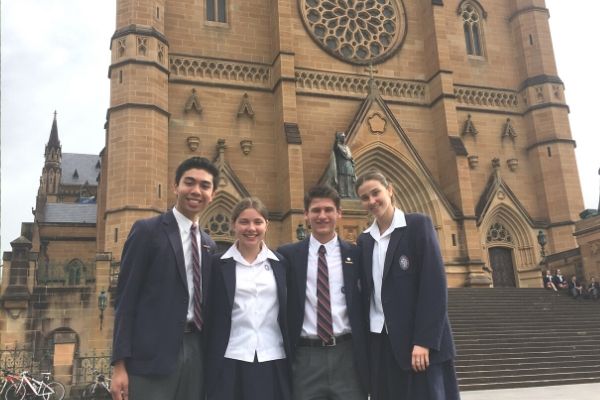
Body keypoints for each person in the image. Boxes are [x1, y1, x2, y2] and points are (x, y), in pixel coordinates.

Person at [110, 157, 219, 400]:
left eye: (204, 185)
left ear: (213, 193)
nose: (196, 191)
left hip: (196, 349)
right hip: (151, 354)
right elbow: (126, 299)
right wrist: (119, 365)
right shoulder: (147, 230)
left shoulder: (209, 244)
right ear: (175, 186)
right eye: (189, 182)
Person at [355, 170, 460, 400]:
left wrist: (424, 341)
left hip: (418, 345)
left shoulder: (418, 225)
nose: (372, 201)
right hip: (381, 343)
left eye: (376, 193)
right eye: (365, 197)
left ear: (390, 190)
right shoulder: (364, 240)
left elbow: (434, 287)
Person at [277, 185, 369, 400]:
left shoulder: (356, 255)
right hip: (306, 357)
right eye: (316, 210)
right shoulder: (288, 256)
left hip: (347, 355)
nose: (322, 216)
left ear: (339, 213)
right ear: (306, 215)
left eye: (328, 210)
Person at [205, 197, 291, 400]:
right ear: (233, 224)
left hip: (273, 357)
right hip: (230, 358)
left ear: (266, 225)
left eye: (258, 222)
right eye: (244, 222)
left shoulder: (281, 264)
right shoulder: (216, 265)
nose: (251, 228)